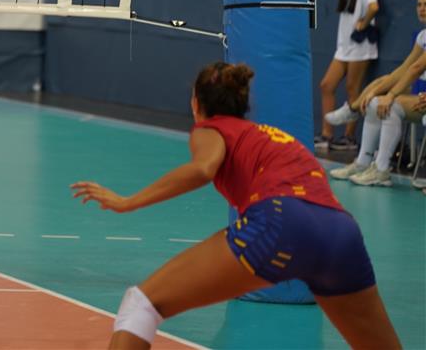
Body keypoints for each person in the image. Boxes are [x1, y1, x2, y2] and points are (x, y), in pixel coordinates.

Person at [72, 61, 400, 350]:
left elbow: (203, 169)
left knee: (141, 304)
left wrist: (127, 202)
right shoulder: (269, 135)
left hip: (282, 222)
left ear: (196, 103)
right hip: (341, 233)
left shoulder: (211, 129)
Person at [329, 0, 426, 187]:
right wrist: (379, 91)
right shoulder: (423, 36)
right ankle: (363, 162)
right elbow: (406, 68)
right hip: (420, 93)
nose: (422, 9)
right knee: (376, 98)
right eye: (419, 4)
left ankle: (381, 169)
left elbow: (416, 68)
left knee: (389, 106)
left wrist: (391, 95)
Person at [314, 0, 379, 152]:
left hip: (360, 46)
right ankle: (327, 135)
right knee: (326, 85)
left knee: (352, 89)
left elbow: (374, 7)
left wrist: (363, 24)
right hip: (343, 48)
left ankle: (349, 137)